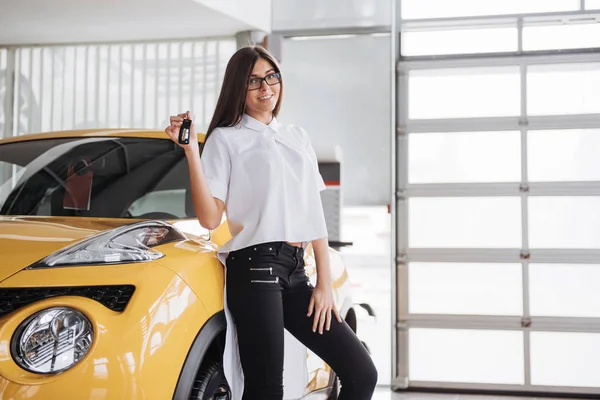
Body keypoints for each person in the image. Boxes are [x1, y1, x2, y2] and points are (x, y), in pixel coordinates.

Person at [165, 45, 377, 400]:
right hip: (254, 268)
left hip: (296, 272)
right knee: (266, 390)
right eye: (253, 81)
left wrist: (324, 282)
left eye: (271, 76)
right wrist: (191, 152)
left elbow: (314, 212)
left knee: (361, 372)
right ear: (238, 88)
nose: (266, 87)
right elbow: (210, 217)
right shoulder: (226, 138)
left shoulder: (297, 137)